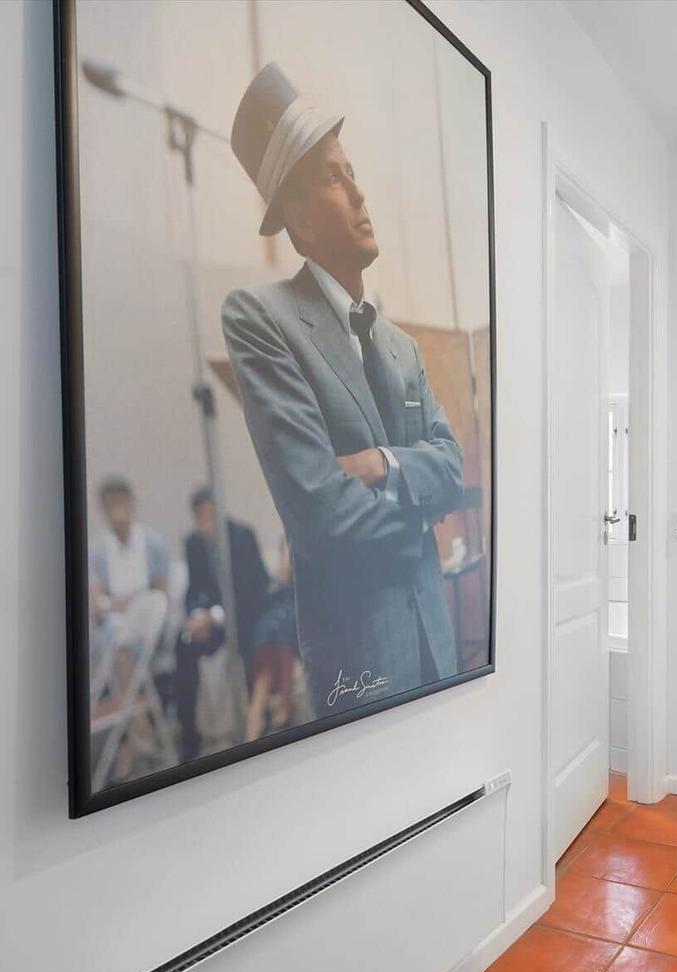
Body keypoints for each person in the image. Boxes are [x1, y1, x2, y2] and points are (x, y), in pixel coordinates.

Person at [220, 63, 466, 713]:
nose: (358, 194)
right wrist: (422, 519)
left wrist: (384, 463)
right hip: (360, 665)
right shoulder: (262, 319)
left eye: (352, 174)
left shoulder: (401, 346)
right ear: (297, 218)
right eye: (334, 177)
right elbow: (320, 517)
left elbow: (453, 465)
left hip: (436, 649)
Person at [172, 487, 270, 762]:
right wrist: (195, 616)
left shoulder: (242, 535)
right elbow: (193, 590)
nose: (205, 524)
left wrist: (215, 615)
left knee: (253, 643)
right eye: (199, 517)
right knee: (183, 645)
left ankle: (259, 724)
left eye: (209, 516)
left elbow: (257, 589)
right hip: (211, 621)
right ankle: (189, 735)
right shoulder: (193, 543)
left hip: (244, 617)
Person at [87, 476, 171, 778]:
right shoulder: (99, 550)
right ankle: (140, 732)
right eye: (110, 507)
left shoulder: (152, 543)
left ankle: (134, 742)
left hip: (147, 629)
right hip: (113, 631)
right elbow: (97, 602)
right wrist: (127, 601)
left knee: (121, 641)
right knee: (112, 638)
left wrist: (124, 602)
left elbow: (160, 595)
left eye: (121, 505)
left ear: (131, 505)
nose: (116, 512)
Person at [244, 537, 299, 742]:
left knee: (280, 628)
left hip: (298, 608)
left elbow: (288, 574)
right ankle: (276, 705)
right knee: (268, 629)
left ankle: (262, 709)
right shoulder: (273, 586)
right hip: (276, 613)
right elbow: (281, 576)